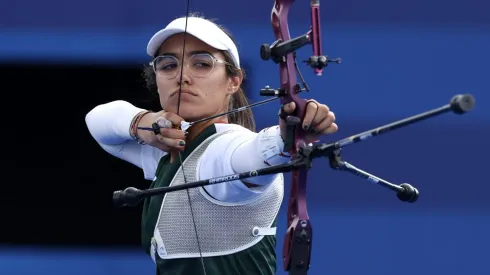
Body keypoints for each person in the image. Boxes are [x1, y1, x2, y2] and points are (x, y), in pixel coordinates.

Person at [85, 14, 338, 275]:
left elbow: (249, 155)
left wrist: (284, 136)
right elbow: (97, 121)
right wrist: (144, 123)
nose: (182, 76)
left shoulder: (226, 148)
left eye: (202, 64)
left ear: (234, 81)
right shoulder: (165, 150)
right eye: (168, 65)